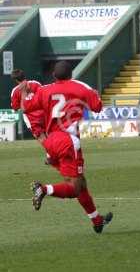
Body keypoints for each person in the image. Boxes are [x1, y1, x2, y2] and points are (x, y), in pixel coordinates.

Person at [20, 61, 113, 233]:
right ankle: (44, 189)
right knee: (74, 188)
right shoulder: (80, 87)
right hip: (68, 142)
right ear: (71, 74)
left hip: (51, 142)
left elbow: (26, 108)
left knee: (80, 183)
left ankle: (97, 220)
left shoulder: (44, 90)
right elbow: (98, 107)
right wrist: (94, 95)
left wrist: (25, 91)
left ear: (54, 76)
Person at [10, 69, 45, 140]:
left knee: (39, 136)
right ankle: (52, 150)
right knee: (48, 134)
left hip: (30, 118)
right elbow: (43, 96)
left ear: (15, 80)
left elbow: (15, 107)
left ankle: (50, 150)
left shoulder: (15, 91)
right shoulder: (36, 83)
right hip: (43, 114)